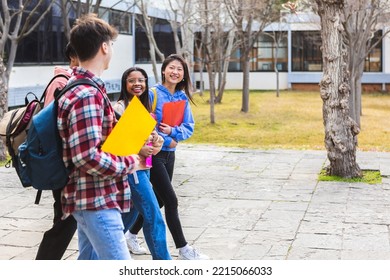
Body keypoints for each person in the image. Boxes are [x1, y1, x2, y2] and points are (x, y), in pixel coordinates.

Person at [57, 13, 139, 260]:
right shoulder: (87, 94)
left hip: (91, 198)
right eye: (111, 45)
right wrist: (129, 162)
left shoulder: (83, 88)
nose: (112, 50)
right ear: (104, 46)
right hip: (96, 200)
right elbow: (86, 156)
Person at [128, 54, 209, 260]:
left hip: (169, 155)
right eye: (172, 68)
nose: (175, 72)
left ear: (184, 75)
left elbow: (188, 127)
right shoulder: (153, 93)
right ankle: (183, 248)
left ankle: (130, 234)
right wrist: (166, 140)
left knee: (160, 201)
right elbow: (142, 125)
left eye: (180, 69)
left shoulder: (182, 98)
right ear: (164, 70)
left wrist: (173, 133)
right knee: (171, 200)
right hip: (152, 154)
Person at [114, 67, 171, 260]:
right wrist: (139, 149)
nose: (137, 84)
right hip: (133, 170)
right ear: (125, 84)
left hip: (145, 168)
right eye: (132, 80)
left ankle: (102, 251)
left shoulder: (145, 107)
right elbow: (115, 142)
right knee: (154, 216)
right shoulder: (120, 107)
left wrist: (156, 142)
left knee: (127, 217)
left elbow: (151, 139)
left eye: (141, 80)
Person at [35, 43, 79, 260]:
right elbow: (51, 124)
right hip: (61, 162)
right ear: (72, 56)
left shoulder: (73, 80)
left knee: (66, 217)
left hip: (67, 161)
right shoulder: (61, 82)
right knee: (66, 219)